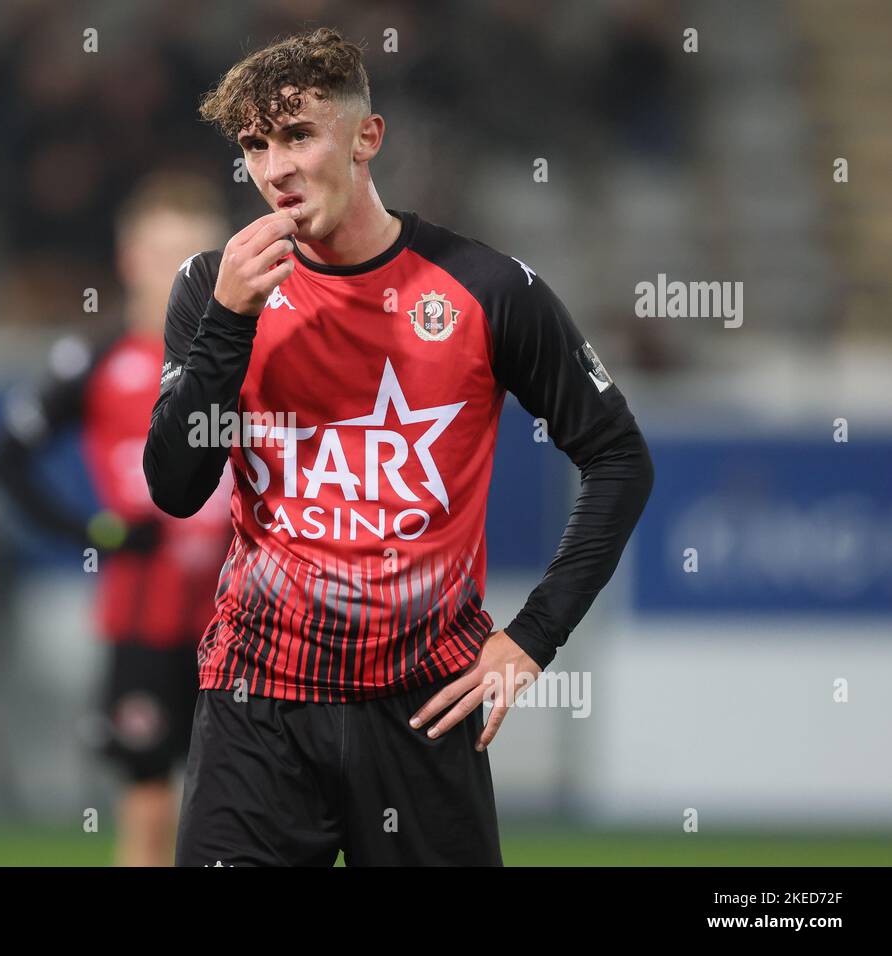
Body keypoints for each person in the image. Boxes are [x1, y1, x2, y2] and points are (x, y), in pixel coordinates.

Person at [144, 27, 655, 866]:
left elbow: (619, 458)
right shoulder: (213, 286)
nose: (275, 170)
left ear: (366, 137)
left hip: (424, 709)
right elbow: (174, 485)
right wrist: (230, 323)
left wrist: (532, 637)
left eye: (299, 135)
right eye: (254, 145)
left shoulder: (488, 290)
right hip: (255, 705)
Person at [0, 172, 234, 866]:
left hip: (245, 617)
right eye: (161, 254)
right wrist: (100, 534)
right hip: (145, 615)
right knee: (148, 800)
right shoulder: (98, 360)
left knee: (246, 806)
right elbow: (4, 460)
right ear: (129, 258)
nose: (174, 274)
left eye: (192, 257)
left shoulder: (252, 354)